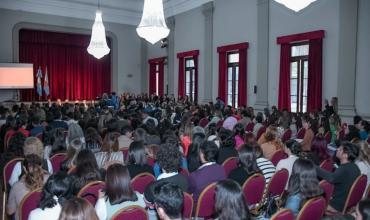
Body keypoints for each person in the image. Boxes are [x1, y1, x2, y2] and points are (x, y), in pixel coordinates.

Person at [317, 142, 361, 212]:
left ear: (345, 155)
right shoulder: (355, 167)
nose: (337, 150)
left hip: (336, 205)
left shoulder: (344, 169)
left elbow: (332, 178)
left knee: (307, 200)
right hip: (346, 203)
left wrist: (315, 167)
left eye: (340, 149)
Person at [7, 154, 49, 220]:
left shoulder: (16, 186)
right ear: (41, 166)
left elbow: (10, 211)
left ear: (24, 168)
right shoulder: (51, 181)